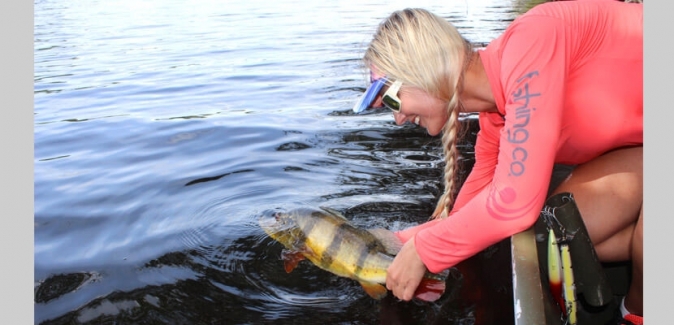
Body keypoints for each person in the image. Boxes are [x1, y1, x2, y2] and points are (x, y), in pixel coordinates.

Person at [351, 1, 642, 324]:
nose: (397, 119)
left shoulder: (532, 42)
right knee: (560, 236)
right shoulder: (496, 120)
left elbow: (514, 204)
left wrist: (423, 251)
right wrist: (385, 243)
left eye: (391, 97)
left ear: (421, 68)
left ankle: (640, 311)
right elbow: (468, 216)